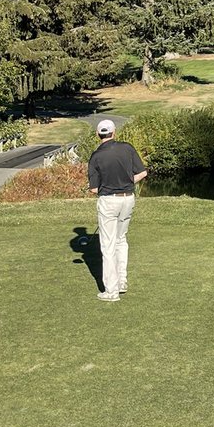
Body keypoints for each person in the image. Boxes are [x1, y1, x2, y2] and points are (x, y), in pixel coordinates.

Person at [87, 119, 148, 301]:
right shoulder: (127, 148)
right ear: (114, 132)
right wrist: (127, 183)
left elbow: (93, 189)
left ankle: (112, 291)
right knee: (121, 239)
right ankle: (122, 281)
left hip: (108, 201)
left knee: (108, 246)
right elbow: (142, 173)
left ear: (98, 135)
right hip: (128, 199)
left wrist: (107, 187)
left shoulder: (96, 156)